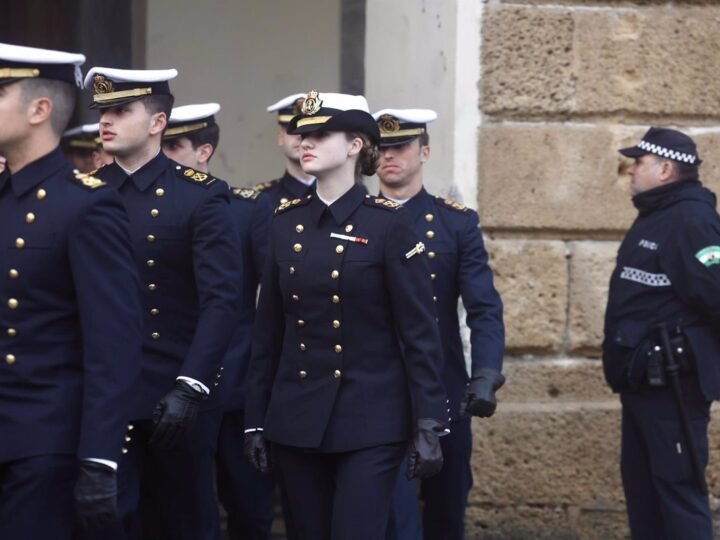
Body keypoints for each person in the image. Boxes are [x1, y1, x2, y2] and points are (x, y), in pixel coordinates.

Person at [243, 90, 449, 540]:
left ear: (356, 145)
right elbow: (269, 332)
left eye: (321, 133)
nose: (305, 142)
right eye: (302, 134)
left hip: (371, 417)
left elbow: (420, 332)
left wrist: (431, 421)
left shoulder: (390, 224)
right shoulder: (284, 222)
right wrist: (256, 418)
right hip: (297, 416)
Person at [84, 67, 242, 540]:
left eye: (120, 110)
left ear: (157, 123)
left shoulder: (199, 196)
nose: (105, 122)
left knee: (182, 521)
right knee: (106, 521)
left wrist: (191, 385)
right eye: (102, 112)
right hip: (103, 394)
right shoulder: (83, 193)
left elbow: (221, 300)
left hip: (175, 394)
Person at [0, 42, 142, 539]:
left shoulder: (84, 206)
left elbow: (114, 343)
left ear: (40, 110)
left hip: (43, 444)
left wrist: (101, 457)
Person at [373, 109, 505, 540]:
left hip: (444, 383)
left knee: (447, 507)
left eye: (401, 147)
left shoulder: (455, 223)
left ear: (424, 152)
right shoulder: (355, 221)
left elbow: (483, 306)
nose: (389, 157)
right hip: (376, 388)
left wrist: (485, 372)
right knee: (391, 516)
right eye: (383, 148)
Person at [163, 102, 275, 539]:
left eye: (175, 145)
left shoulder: (245, 210)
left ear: (203, 151)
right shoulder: (148, 208)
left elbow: (269, 297)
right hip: (173, 379)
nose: (165, 154)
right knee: (186, 506)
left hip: (236, 383)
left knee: (250, 505)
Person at [603, 127, 720, 539]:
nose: (631, 171)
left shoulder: (691, 220)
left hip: (672, 385)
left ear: (666, 168)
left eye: (639, 163)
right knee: (644, 494)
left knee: (677, 494)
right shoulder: (657, 215)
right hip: (642, 384)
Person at [254, 92, 316, 206]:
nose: (300, 136)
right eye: (293, 129)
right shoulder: (262, 199)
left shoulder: (342, 194)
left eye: (307, 130)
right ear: (281, 137)